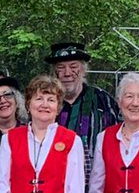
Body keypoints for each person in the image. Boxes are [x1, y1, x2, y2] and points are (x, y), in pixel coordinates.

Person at [47, 40, 121, 182]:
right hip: (53, 184)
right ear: (54, 72)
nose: (67, 73)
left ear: (83, 69)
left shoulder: (103, 101)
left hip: (97, 184)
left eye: (73, 66)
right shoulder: (44, 104)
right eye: (61, 68)